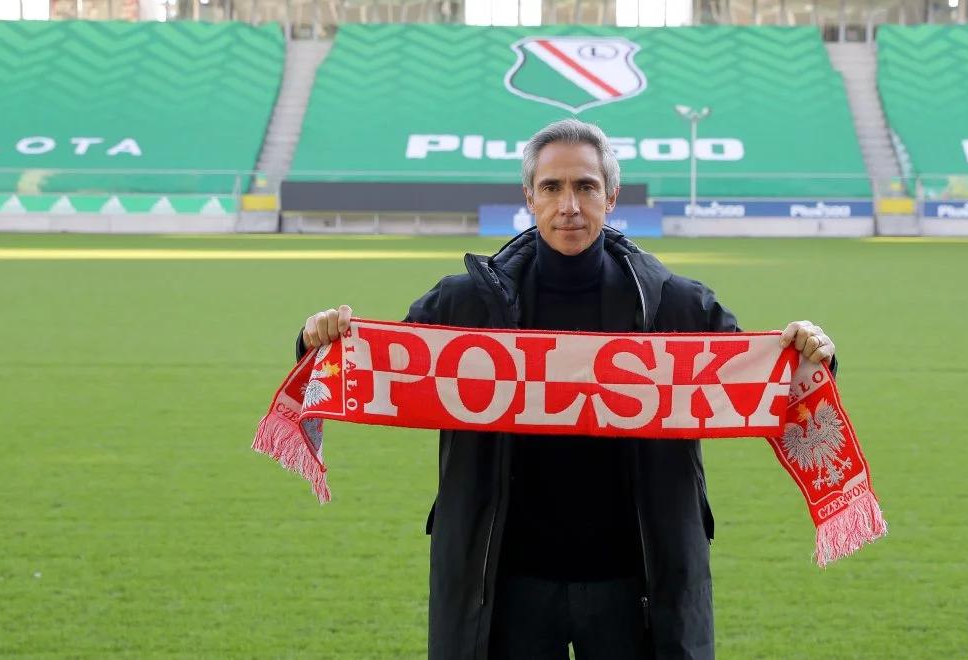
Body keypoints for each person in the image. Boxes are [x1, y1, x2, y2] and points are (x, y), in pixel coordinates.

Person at [298, 119, 837, 660]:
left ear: (612, 195)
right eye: (552, 188)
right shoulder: (465, 305)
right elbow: (382, 368)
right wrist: (316, 342)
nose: (569, 206)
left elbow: (761, 380)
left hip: (637, 584)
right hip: (505, 586)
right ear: (529, 196)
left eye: (585, 186)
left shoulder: (675, 304)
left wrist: (813, 353)